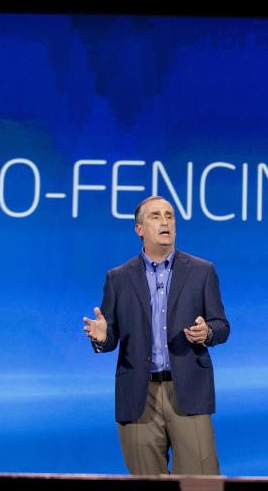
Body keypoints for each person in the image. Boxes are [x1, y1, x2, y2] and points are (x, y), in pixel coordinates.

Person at [83, 196, 229, 475]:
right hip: (139, 395)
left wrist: (207, 332)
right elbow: (111, 337)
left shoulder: (202, 271)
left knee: (201, 486)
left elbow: (221, 326)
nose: (165, 221)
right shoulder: (118, 278)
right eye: (156, 216)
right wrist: (102, 337)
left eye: (170, 215)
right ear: (139, 229)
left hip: (188, 391)